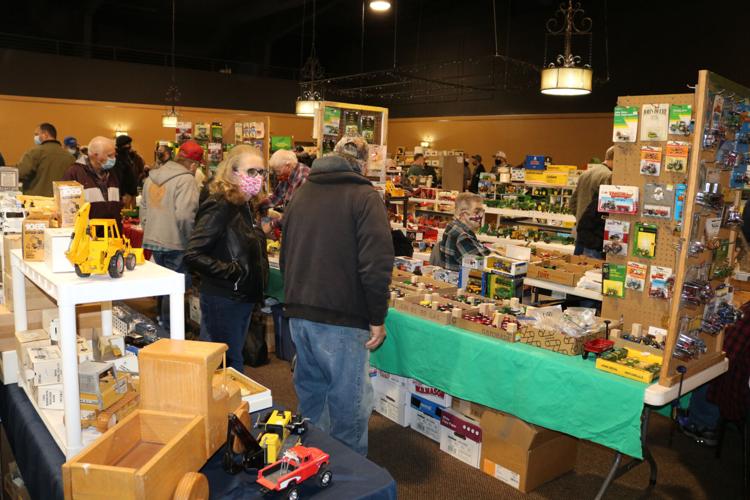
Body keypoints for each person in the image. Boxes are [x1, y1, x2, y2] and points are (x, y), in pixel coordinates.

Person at [281, 135, 393, 455]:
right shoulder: (364, 196)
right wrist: (377, 318)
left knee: (313, 400)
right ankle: (349, 481)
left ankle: (314, 467)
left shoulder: (301, 194)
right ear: (364, 163)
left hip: (300, 313)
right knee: (349, 407)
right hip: (342, 316)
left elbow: (286, 253)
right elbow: (376, 266)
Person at [185, 150, 268, 372]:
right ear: (232, 173)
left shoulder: (245, 205)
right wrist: (233, 272)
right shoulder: (220, 204)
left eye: (261, 171)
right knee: (225, 364)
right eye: (251, 171)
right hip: (224, 297)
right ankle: (225, 406)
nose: (257, 177)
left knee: (231, 359)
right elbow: (193, 253)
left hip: (241, 297)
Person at [141, 140, 201, 332]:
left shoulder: (151, 178)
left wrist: (150, 229)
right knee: (174, 289)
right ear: (193, 165)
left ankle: (160, 323)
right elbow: (185, 215)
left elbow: (143, 210)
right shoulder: (187, 180)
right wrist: (192, 240)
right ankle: (171, 330)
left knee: (162, 286)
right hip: (177, 242)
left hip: (154, 239)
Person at [63, 136, 121, 223]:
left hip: (111, 232)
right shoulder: (74, 173)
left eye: (114, 155)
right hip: (87, 233)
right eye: (109, 155)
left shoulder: (112, 173)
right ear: (95, 155)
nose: (113, 159)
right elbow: (67, 208)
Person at [569, 146, 614, 256]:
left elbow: (572, 202)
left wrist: (581, 217)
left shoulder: (586, 173)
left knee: (578, 264)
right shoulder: (608, 176)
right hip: (595, 234)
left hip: (582, 230)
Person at [259, 149, 311, 235]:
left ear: (288, 166)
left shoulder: (303, 178)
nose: (277, 176)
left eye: (278, 171)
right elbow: (276, 197)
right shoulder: (288, 175)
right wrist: (258, 206)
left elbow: (294, 213)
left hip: (303, 229)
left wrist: (272, 224)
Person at [435, 192, 491, 271]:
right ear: (464, 214)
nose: (481, 215)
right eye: (477, 212)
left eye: (482, 211)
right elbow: (487, 263)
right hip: (461, 281)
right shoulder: (461, 235)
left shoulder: (453, 226)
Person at [16, 123, 74, 196]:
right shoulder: (69, 156)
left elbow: (20, 173)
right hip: (60, 201)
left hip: (36, 201)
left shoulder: (34, 152)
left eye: (36, 134)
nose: (35, 137)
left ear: (45, 135)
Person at [114, 135, 146, 208]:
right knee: (126, 214)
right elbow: (119, 177)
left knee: (132, 215)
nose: (130, 146)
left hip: (132, 191)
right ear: (122, 145)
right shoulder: (118, 158)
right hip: (126, 193)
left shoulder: (128, 156)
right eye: (128, 144)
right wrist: (122, 193)